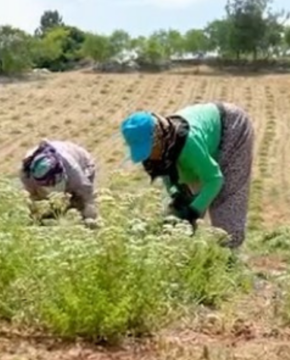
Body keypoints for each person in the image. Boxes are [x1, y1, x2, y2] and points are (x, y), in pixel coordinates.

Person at [120, 101, 255, 249]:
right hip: (204, 140)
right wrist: (177, 195)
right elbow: (170, 177)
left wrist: (193, 211)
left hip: (232, 127)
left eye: (147, 150)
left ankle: (228, 260)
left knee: (225, 214)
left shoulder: (187, 142)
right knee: (180, 209)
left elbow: (214, 179)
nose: (147, 157)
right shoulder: (163, 146)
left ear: (158, 139)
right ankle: (187, 254)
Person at [19, 139, 99, 224]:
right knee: (42, 207)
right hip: (49, 166)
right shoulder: (26, 174)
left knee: (78, 203)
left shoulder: (74, 173)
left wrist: (91, 218)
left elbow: (87, 195)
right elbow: (31, 200)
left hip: (84, 162)